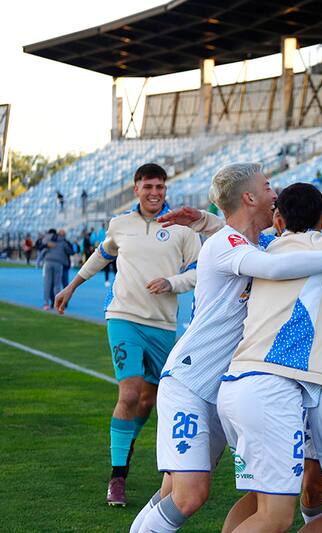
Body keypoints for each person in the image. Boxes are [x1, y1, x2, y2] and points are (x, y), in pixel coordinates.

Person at [131, 171, 322, 533]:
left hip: (225, 386)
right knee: (189, 495)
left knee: (197, 491)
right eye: (267, 186)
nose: (274, 194)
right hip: (192, 381)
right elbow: (273, 267)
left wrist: (204, 219)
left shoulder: (260, 242)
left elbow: (283, 247)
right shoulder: (230, 244)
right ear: (250, 199)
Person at [55, 163, 201, 507]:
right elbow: (102, 255)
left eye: (160, 187)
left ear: (166, 190)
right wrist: (72, 286)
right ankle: (117, 477)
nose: (154, 193)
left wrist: (173, 282)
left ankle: (126, 452)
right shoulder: (120, 224)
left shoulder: (182, 228)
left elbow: (198, 271)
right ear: (136, 189)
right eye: (148, 186)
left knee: (149, 400)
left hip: (163, 325)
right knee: (130, 392)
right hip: (123, 318)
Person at [42, 229, 71, 310]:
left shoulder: (49, 239)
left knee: (47, 283)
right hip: (58, 263)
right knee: (57, 284)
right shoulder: (64, 242)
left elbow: (42, 243)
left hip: (48, 261)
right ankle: (57, 303)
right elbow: (70, 251)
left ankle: (46, 303)